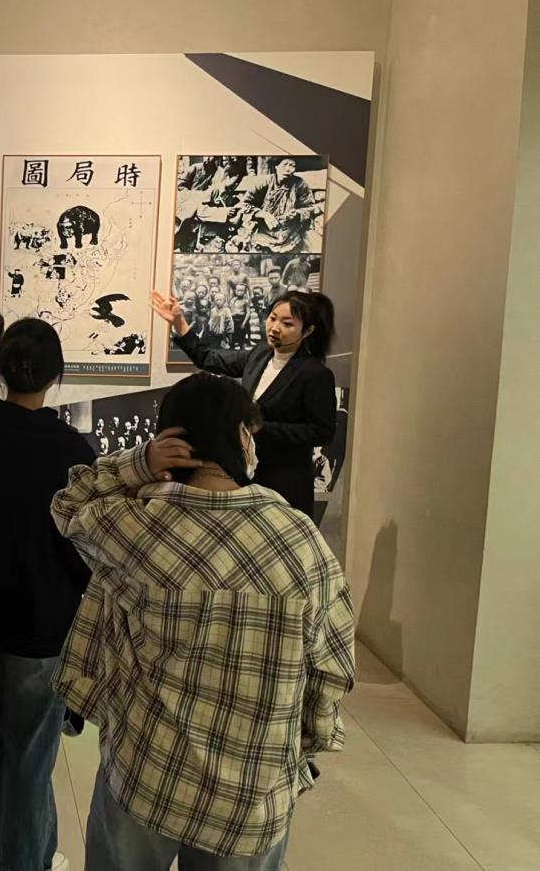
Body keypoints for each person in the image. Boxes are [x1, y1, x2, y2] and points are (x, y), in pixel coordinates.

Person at [51, 372, 355, 871]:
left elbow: (69, 502)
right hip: (251, 794)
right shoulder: (299, 540)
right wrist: (296, 751)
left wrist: (139, 462)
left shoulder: (137, 525)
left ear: (170, 440)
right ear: (242, 437)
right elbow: (331, 669)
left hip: (145, 770)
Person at [0, 318, 94, 871]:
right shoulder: (69, 449)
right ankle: (25, 860)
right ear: (57, 375)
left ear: (1, 368)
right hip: (39, 619)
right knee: (31, 753)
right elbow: (81, 547)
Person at [151, 288, 337, 517]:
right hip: (247, 474)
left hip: (286, 479)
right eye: (272, 318)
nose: (275, 327)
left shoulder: (315, 374)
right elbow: (208, 358)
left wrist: (260, 427)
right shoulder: (260, 354)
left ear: (307, 331)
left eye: (287, 324)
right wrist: (179, 322)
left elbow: (322, 432)